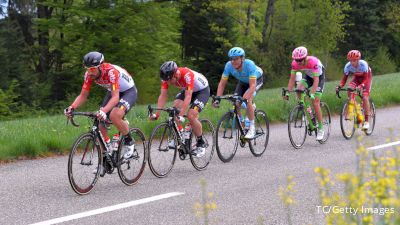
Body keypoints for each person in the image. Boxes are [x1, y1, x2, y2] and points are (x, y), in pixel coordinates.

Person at [64, 51, 137, 161]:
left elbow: (115, 97)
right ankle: (108, 152)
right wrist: (72, 107)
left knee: (114, 115)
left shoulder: (111, 72)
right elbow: (83, 95)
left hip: (128, 91)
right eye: (87, 69)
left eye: (93, 69)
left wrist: (104, 111)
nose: (90, 72)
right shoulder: (88, 75)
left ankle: (129, 141)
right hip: (113, 91)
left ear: (101, 66)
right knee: (100, 122)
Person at [150, 61, 210, 157]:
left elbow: (188, 96)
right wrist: (157, 114)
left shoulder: (187, 75)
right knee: (175, 108)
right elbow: (163, 95)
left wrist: (181, 115)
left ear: (175, 74)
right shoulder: (166, 78)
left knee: (191, 115)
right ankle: (181, 135)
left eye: (169, 80)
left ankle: (200, 142)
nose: (168, 82)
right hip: (188, 89)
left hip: (202, 91)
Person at [212, 47, 264, 139]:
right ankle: (243, 125)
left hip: (256, 81)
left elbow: (252, 86)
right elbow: (222, 84)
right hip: (243, 82)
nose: (233, 61)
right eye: (231, 59)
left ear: (242, 58)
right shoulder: (228, 66)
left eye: (236, 58)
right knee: (236, 102)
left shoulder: (249, 65)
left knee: (247, 99)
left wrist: (247, 98)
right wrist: (217, 98)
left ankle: (252, 128)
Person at [283, 46, 326, 141]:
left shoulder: (313, 62)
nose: (298, 62)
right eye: (296, 60)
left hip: (318, 77)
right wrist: (288, 92)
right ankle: (306, 109)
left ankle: (321, 129)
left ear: (305, 57)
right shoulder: (295, 64)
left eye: (300, 60)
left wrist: (313, 93)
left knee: (315, 101)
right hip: (308, 76)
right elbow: (292, 79)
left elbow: (316, 80)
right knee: (298, 89)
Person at [336, 50, 372, 130]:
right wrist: (339, 86)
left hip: (366, 79)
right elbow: (344, 80)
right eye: (351, 60)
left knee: (365, 97)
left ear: (358, 59)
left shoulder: (363, 64)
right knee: (349, 90)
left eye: (354, 60)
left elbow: (366, 79)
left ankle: (366, 121)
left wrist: (361, 85)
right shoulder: (348, 66)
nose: (352, 62)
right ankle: (356, 107)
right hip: (356, 78)